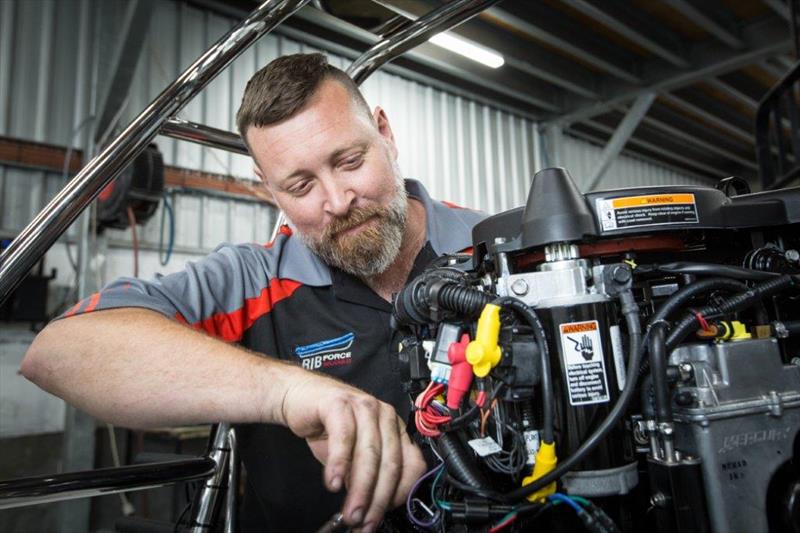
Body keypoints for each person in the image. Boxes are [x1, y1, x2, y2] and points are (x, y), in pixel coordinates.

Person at [21, 53, 485, 531]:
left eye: (349, 161)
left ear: (384, 132)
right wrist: (287, 392)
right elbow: (57, 351)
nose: (337, 200)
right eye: (300, 185)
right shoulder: (251, 282)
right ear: (268, 188)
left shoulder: (501, 246)